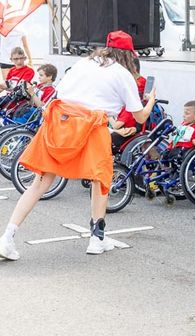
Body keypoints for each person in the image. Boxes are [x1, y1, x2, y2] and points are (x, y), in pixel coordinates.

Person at [0, 30, 157, 260]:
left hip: (60, 122)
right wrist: (151, 100)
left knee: (39, 183)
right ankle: (96, 238)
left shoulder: (83, 63)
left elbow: (63, 93)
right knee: (100, 180)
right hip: (92, 127)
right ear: (128, 54)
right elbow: (141, 117)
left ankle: (7, 237)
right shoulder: (122, 74)